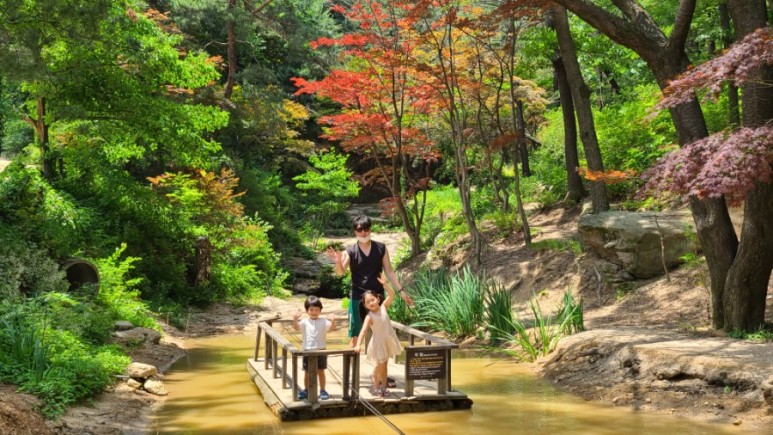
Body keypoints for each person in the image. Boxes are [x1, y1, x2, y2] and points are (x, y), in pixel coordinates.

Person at [327, 215, 414, 349]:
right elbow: (340, 272)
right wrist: (338, 262)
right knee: (355, 336)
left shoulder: (381, 248)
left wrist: (401, 291)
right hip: (358, 296)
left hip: (377, 296)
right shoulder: (350, 251)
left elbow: (389, 271)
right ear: (355, 231)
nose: (363, 232)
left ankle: (379, 366)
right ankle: (351, 368)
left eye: (366, 229)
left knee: (380, 333)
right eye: (360, 229)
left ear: (370, 229)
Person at [354, 276, 402, 398]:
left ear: (378, 299)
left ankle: (384, 387)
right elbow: (363, 331)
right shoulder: (369, 317)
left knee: (385, 365)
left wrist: (385, 285)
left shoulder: (383, 308)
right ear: (365, 305)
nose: (371, 303)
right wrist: (358, 344)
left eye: (373, 299)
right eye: (368, 302)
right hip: (378, 343)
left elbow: (392, 296)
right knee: (379, 365)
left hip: (387, 340)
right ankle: (375, 385)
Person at [292, 296, 337, 401]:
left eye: (317, 310)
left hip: (321, 350)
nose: (314, 312)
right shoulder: (304, 321)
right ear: (307, 310)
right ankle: (306, 389)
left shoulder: (324, 321)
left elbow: (331, 329)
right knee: (307, 372)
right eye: (311, 310)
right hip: (308, 350)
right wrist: (294, 319)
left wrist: (333, 321)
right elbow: (296, 328)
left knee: (321, 371)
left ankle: (323, 390)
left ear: (320, 310)